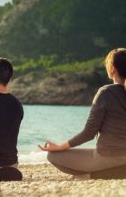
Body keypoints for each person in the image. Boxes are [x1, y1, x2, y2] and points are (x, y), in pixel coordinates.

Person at [39, 48, 126, 176]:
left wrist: (59, 147)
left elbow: (89, 132)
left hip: (108, 156)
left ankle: (96, 175)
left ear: (112, 68)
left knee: (52, 156)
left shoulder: (105, 93)